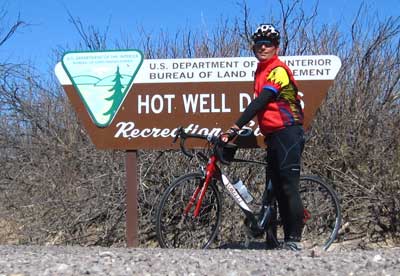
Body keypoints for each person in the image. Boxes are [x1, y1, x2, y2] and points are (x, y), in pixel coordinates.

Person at [223, 23, 305, 251]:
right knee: (272, 188)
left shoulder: (278, 69)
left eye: (268, 44)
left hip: (288, 130)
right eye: (259, 44)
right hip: (272, 134)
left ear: (276, 47)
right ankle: (272, 240)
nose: (263, 47)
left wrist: (235, 126)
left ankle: (294, 240)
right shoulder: (260, 71)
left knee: (287, 187)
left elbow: (261, 102)